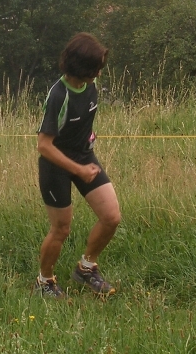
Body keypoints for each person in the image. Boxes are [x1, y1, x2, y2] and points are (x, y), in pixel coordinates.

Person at [33, 33, 120, 298]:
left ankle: (86, 268)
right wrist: (78, 170)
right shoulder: (59, 96)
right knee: (61, 229)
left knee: (111, 217)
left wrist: (88, 137)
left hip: (84, 157)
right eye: (95, 68)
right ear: (81, 67)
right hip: (55, 165)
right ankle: (44, 282)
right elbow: (43, 145)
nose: (99, 73)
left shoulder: (90, 86)